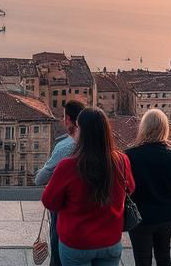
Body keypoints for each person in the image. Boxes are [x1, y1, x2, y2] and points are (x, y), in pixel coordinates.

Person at [42, 107, 134, 266]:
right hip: (110, 240)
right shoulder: (122, 160)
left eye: (77, 126)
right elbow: (130, 189)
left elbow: (49, 201)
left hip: (77, 243)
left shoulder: (68, 166)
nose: (75, 130)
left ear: (82, 131)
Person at [124, 109, 171, 266]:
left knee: (142, 259)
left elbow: (125, 188)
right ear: (165, 128)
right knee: (164, 257)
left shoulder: (130, 155)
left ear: (143, 127)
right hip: (167, 216)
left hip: (140, 218)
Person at [35, 100, 86, 266]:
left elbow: (41, 180)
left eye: (64, 117)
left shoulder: (65, 147)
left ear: (69, 120)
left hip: (65, 206)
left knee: (58, 250)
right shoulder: (101, 146)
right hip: (96, 212)